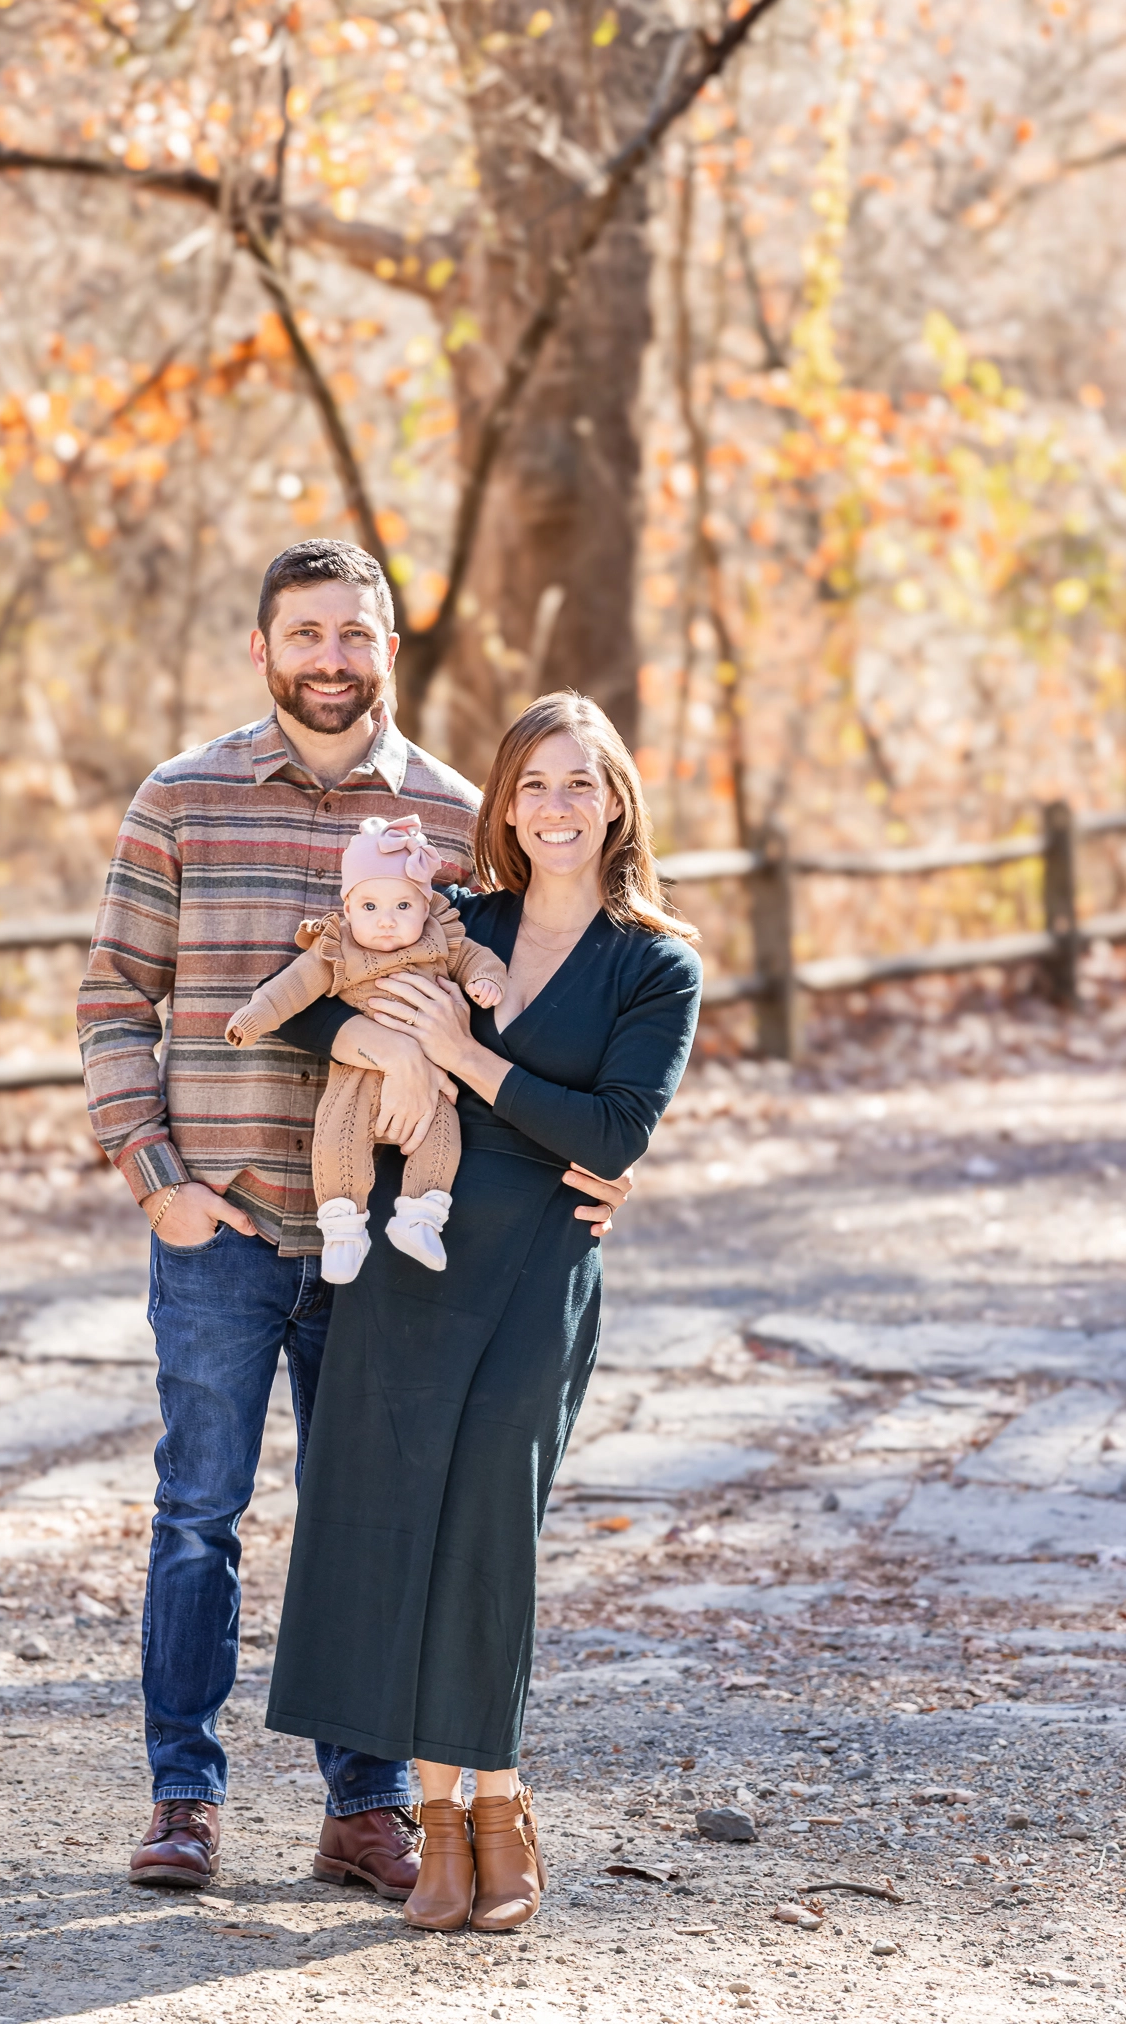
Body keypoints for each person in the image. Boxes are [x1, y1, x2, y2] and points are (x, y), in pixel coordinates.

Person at [76, 540, 637, 1898]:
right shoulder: (182, 799)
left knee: (382, 1508)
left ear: (389, 648)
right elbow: (113, 996)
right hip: (221, 1220)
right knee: (198, 1512)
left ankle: (367, 1805)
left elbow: (529, 1006)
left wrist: (595, 1168)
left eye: (354, 634)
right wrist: (154, 1173)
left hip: (395, 1243)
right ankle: (183, 1797)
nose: (330, 657)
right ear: (260, 651)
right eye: (304, 633)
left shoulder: (461, 815)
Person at [265, 691, 703, 1932]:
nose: (557, 806)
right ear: (503, 805)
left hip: (540, 1270)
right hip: (420, 1247)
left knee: (489, 1529)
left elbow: (615, 1129)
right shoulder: (463, 920)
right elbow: (303, 1005)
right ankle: (436, 1821)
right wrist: (392, 1051)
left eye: (581, 782)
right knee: (397, 1516)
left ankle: (499, 1803)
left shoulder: (657, 958)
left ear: (617, 797)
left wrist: (463, 1057)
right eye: (534, 785)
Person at [223, 811, 508, 1279]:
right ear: (349, 908)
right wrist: (255, 1016)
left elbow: (483, 960)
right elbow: (292, 986)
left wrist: (483, 982)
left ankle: (419, 1218)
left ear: (426, 906)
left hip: (432, 1078)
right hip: (356, 1073)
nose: (387, 922)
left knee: (440, 1135)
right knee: (338, 1135)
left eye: (403, 907)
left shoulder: (443, 939)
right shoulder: (339, 947)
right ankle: (342, 1230)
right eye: (370, 907)